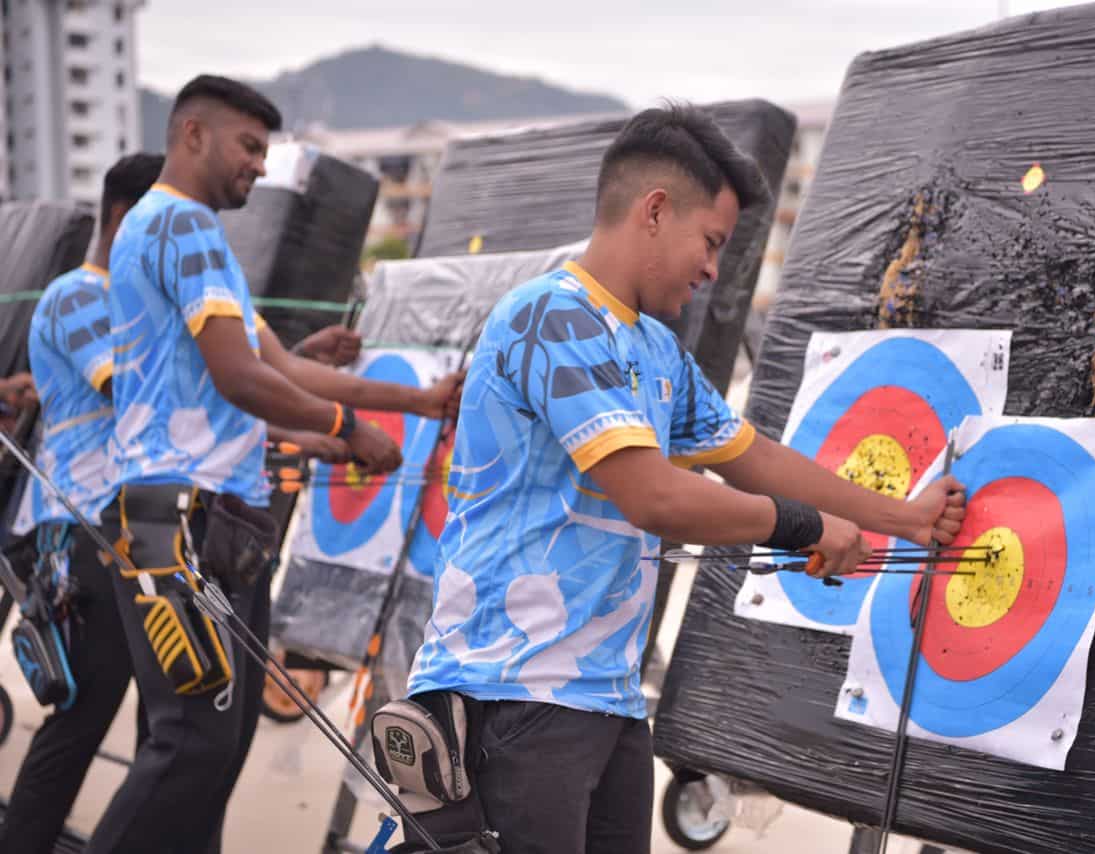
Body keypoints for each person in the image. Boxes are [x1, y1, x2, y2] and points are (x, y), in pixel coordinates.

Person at [402, 104, 967, 854]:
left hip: (605, 699)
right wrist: (805, 528)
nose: (711, 268)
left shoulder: (655, 351)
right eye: (711, 243)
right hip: (510, 696)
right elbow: (654, 495)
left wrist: (903, 518)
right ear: (655, 211)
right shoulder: (553, 318)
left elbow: (754, 457)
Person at [90, 74, 461, 854]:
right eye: (249, 146)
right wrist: (348, 428)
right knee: (191, 746)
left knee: (215, 747)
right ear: (192, 134)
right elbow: (241, 375)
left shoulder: (184, 235)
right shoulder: (182, 225)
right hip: (182, 520)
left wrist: (422, 402)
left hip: (208, 520)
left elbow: (276, 367)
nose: (260, 166)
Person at [0, 153, 164, 854]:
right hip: (81, 532)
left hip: (122, 530)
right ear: (126, 221)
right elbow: (131, 395)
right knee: (80, 720)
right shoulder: (80, 296)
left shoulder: (127, 305)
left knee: (162, 728)